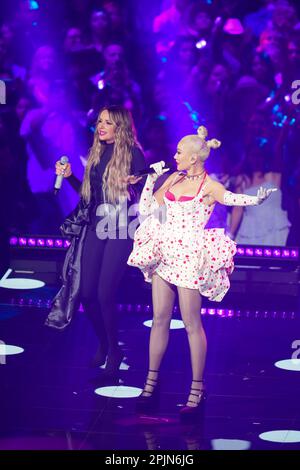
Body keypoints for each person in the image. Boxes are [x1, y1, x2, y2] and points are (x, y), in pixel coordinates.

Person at [127, 126, 276, 419]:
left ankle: (197, 388)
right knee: (159, 319)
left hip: (190, 257)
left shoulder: (209, 185)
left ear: (195, 157)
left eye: (180, 152)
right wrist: (150, 180)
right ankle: (150, 382)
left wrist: (256, 200)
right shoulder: (172, 176)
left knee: (191, 323)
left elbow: (231, 198)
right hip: (165, 253)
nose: (174, 155)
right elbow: (145, 210)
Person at [45, 105, 145, 374]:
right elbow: (88, 196)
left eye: (108, 123)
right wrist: (69, 178)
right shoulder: (97, 154)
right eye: (99, 121)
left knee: (104, 293)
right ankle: (106, 343)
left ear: (120, 127)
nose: (101, 126)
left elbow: (146, 192)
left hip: (120, 227)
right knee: (87, 292)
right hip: (95, 224)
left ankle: (113, 350)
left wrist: (134, 185)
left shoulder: (133, 154)